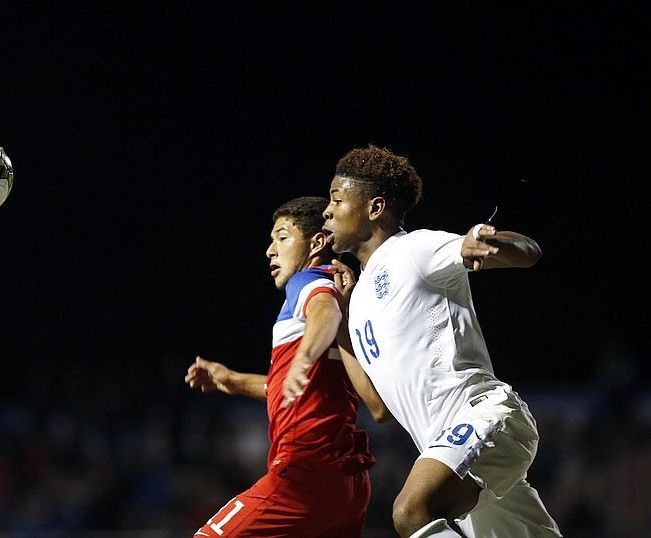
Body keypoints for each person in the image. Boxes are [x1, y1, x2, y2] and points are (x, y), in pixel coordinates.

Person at [306, 144, 563, 537]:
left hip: (483, 417)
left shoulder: (411, 250)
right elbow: (378, 408)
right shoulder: (357, 304)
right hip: (448, 450)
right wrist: (341, 327)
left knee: (411, 511)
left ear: (375, 209)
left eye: (336, 199)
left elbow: (528, 253)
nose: (327, 210)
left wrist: (490, 240)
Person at [185, 196, 386, 537]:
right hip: (348, 484)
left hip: (304, 474)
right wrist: (232, 380)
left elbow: (324, 310)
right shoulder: (346, 296)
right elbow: (305, 387)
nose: (270, 250)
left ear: (317, 242)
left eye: (282, 236)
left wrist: (303, 358)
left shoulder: (310, 281)